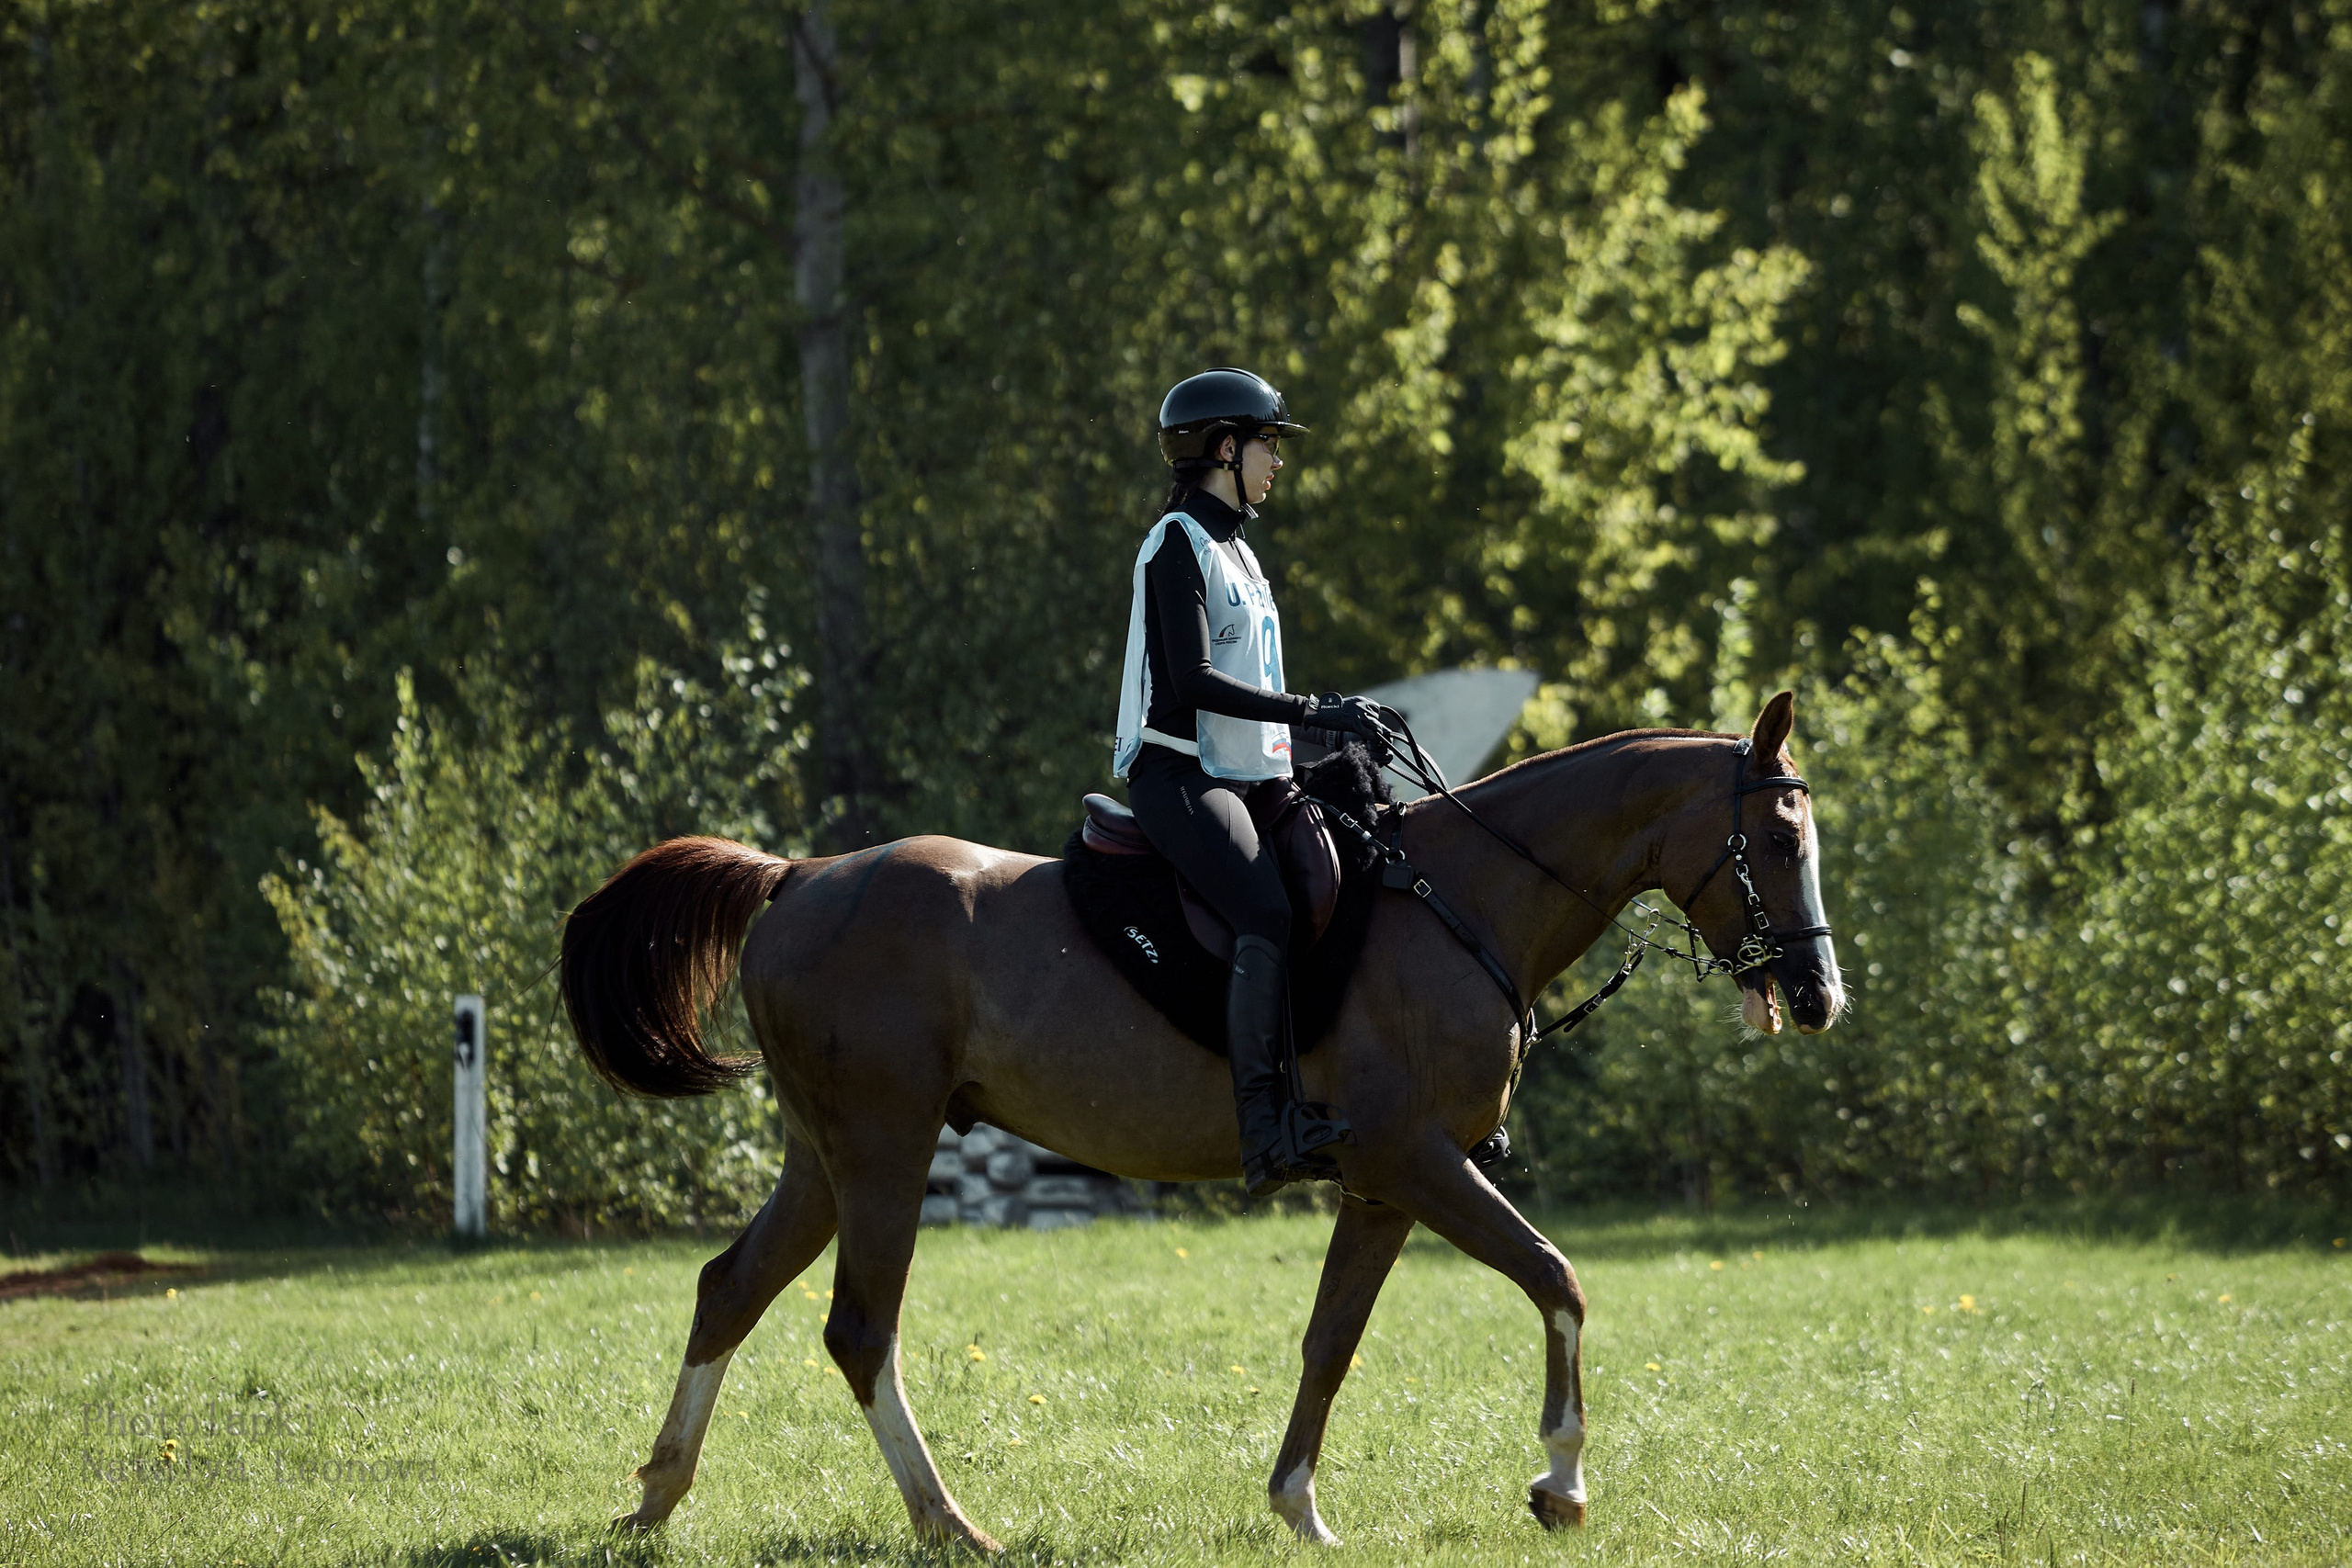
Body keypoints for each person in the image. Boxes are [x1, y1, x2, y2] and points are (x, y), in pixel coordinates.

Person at [1111, 367, 1394, 1195]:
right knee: (1264, 910)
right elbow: (1193, 682)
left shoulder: (1240, 550)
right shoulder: (1177, 542)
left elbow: (1255, 692)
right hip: (1180, 771)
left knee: (1354, 857)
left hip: (1252, 772)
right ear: (1226, 448)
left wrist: (1330, 725)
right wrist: (1315, 707)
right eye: (1269, 445)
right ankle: (1264, 1131)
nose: (1277, 461)